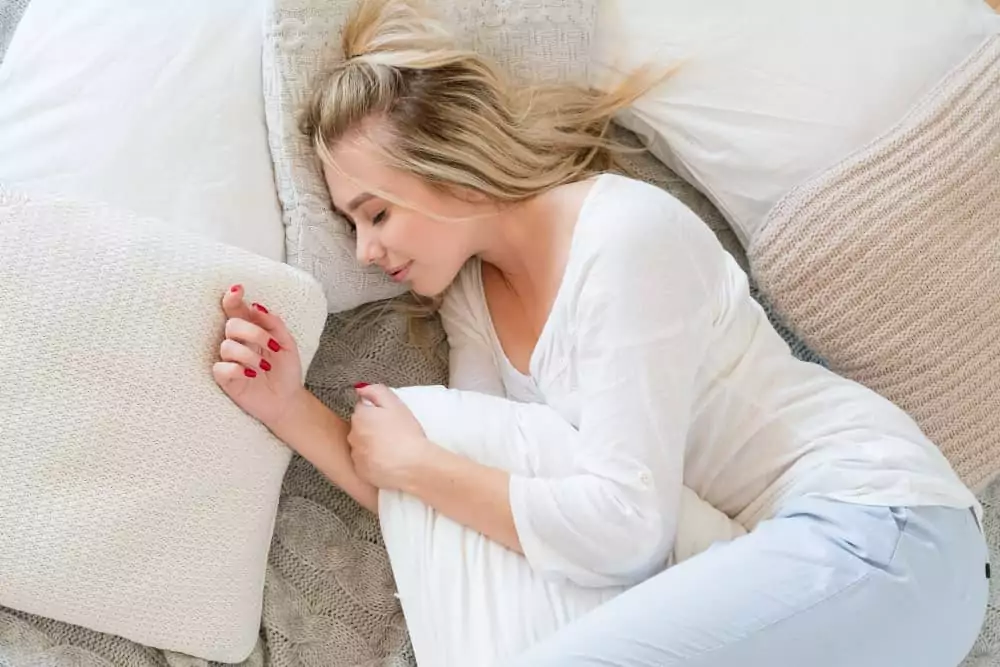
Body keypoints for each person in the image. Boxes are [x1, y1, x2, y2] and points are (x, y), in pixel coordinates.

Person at [212, 0, 988, 665]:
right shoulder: (471, 305)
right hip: (752, 567)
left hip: (883, 530)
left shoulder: (626, 237)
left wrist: (421, 464)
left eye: (376, 212)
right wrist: (287, 407)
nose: (366, 251)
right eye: (350, 224)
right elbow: (454, 512)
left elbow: (626, 532)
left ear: (449, 160)